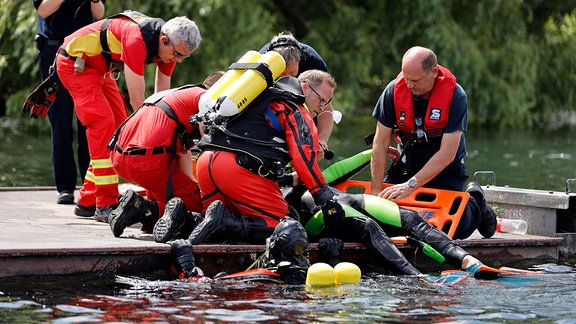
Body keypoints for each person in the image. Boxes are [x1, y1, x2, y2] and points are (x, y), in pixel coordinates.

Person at [55, 10, 201, 222]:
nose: (177, 61)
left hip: (99, 69)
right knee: (102, 124)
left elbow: (162, 98)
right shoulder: (135, 40)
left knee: (119, 129)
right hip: (75, 63)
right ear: (164, 40)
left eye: (183, 57)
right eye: (177, 55)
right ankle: (104, 203)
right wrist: (150, 137)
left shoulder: (168, 48)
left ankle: (87, 199)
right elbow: (138, 100)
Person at [184, 69, 346, 246]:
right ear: (305, 87)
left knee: (214, 221)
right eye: (321, 99)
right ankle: (224, 223)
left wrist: (286, 179)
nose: (322, 107)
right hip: (236, 169)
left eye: (327, 103)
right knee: (284, 229)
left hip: (206, 161)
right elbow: (304, 157)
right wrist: (325, 198)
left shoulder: (260, 97)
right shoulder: (295, 108)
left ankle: (183, 219)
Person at [369, 46, 497, 240]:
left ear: (434, 72)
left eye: (416, 80)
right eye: (406, 78)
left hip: (444, 169)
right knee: (381, 222)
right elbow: (379, 144)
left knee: (450, 230)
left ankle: (476, 202)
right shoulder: (393, 92)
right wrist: (376, 191)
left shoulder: (456, 96)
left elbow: (447, 153)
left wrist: (411, 186)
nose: (410, 85)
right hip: (407, 166)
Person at [107, 72, 225, 239]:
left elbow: (182, 152)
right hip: (148, 162)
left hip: (120, 157)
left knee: (174, 199)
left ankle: (146, 212)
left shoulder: (179, 94)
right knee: (198, 207)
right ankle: (142, 210)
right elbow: (210, 145)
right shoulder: (206, 99)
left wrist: (189, 185)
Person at [33, 0, 105, 205]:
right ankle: (65, 187)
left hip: (86, 55)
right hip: (53, 52)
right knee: (60, 121)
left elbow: (99, 14)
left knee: (88, 120)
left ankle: (89, 184)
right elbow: (43, 10)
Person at [260, 32, 336, 159]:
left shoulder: (313, 62)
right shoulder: (262, 63)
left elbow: (326, 107)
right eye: (282, 74)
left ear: (300, 62)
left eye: (292, 72)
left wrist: (321, 140)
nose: (287, 78)